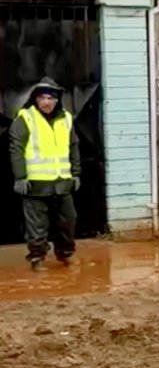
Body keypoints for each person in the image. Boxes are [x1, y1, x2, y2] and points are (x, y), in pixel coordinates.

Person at [8, 77, 81, 271]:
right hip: (35, 183)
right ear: (35, 99)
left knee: (67, 220)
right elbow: (16, 148)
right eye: (42, 98)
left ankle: (66, 254)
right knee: (37, 225)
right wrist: (20, 176)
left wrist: (76, 173)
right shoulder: (26, 118)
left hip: (61, 181)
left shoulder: (66, 118)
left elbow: (73, 146)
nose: (47, 102)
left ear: (57, 100)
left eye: (51, 98)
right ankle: (37, 257)